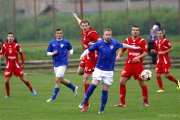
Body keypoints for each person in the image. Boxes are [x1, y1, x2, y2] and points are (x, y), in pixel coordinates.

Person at [79, 29, 141, 114]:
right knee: (93, 85)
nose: (108, 36)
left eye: (109, 34)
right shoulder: (99, 43)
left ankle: (101, 110)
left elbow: (124, 45)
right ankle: (84, 102)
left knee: (105, 89)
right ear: (103, 35)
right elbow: (89, 50)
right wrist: (82, 54)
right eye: (106, 34)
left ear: (111, 35)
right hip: (99, 69)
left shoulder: (114, 43)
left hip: (109, 71)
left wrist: (135, 47)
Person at [114, 26, 149, 107]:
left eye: (137, 30)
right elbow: (122, 50)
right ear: (131, 32)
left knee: (142, 83)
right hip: (128, 65)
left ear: (139, 32)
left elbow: (146, 52)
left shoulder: (142, 41)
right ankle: (122, 103)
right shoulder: (127, 40)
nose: (135, 31)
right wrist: (119, 55)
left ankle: (145, 102)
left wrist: (138, 57)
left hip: (138, 66)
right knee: (122, 82)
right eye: (134, 30)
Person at [73, 13, 100, 108]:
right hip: (86, 56)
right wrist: (76, 17)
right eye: (83, 26)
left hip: (92, 59)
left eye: (86, 26)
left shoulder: (92, 33)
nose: (84, 27)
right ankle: (96, 79)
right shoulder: (83, 30)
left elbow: (100, 41)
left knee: (85, 79)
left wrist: (94, 43)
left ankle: (86, 103)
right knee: (79, 72)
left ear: (89, 26)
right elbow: (80, 22)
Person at [0, 32, 36, 98]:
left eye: (11, 36)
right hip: (9, 66)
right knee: (6, 81)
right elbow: (1, 54)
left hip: (16, 66)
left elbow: (21, 54)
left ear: (13, 38)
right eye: (9, 36)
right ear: (7, 38)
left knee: (23, 79)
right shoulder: (4, 46)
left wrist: (23, 63)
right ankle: (8, 95)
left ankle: (32, 90)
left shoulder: (16, 45)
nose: (10, 38)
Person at [46, 28, 78, 102]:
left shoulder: (66, 42)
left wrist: (71, 53)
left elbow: (71, 49)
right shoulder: (52, 42)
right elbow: (48, 52)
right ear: (55, 34)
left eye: (60, 33)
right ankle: (74, 88)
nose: (59, 34)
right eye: (57, 33)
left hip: (63, 63)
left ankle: (53, 97)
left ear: (62, 34)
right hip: (56, 63)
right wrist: (52, 53)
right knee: (61, 80)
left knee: (57, 80)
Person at [152, 28, 180, 92]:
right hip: (159, 60)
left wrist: (164, 52)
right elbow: (156, 50)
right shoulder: (156, 41)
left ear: (163, 33)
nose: (159, 35)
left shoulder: (165, 41)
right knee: (157, 74)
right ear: (157, 34)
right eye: (158, 33)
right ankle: (161, 89)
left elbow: (171, 48)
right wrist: (154, 51)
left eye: (160, 33)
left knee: (166, 75)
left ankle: (177, 82)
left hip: (165, 60)